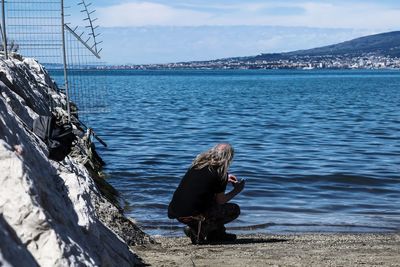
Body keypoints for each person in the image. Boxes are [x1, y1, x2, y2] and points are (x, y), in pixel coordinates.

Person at [168, 143, 245, 244]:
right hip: (193, 216)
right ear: (229, 157)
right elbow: (221, 200)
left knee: (211, 200)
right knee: (234, 209)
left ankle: (216, 234)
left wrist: (226, 178)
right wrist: (237, 190)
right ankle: (199, 231)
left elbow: (204, 183)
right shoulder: (219, 173)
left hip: (176, 212)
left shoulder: (197, 165)